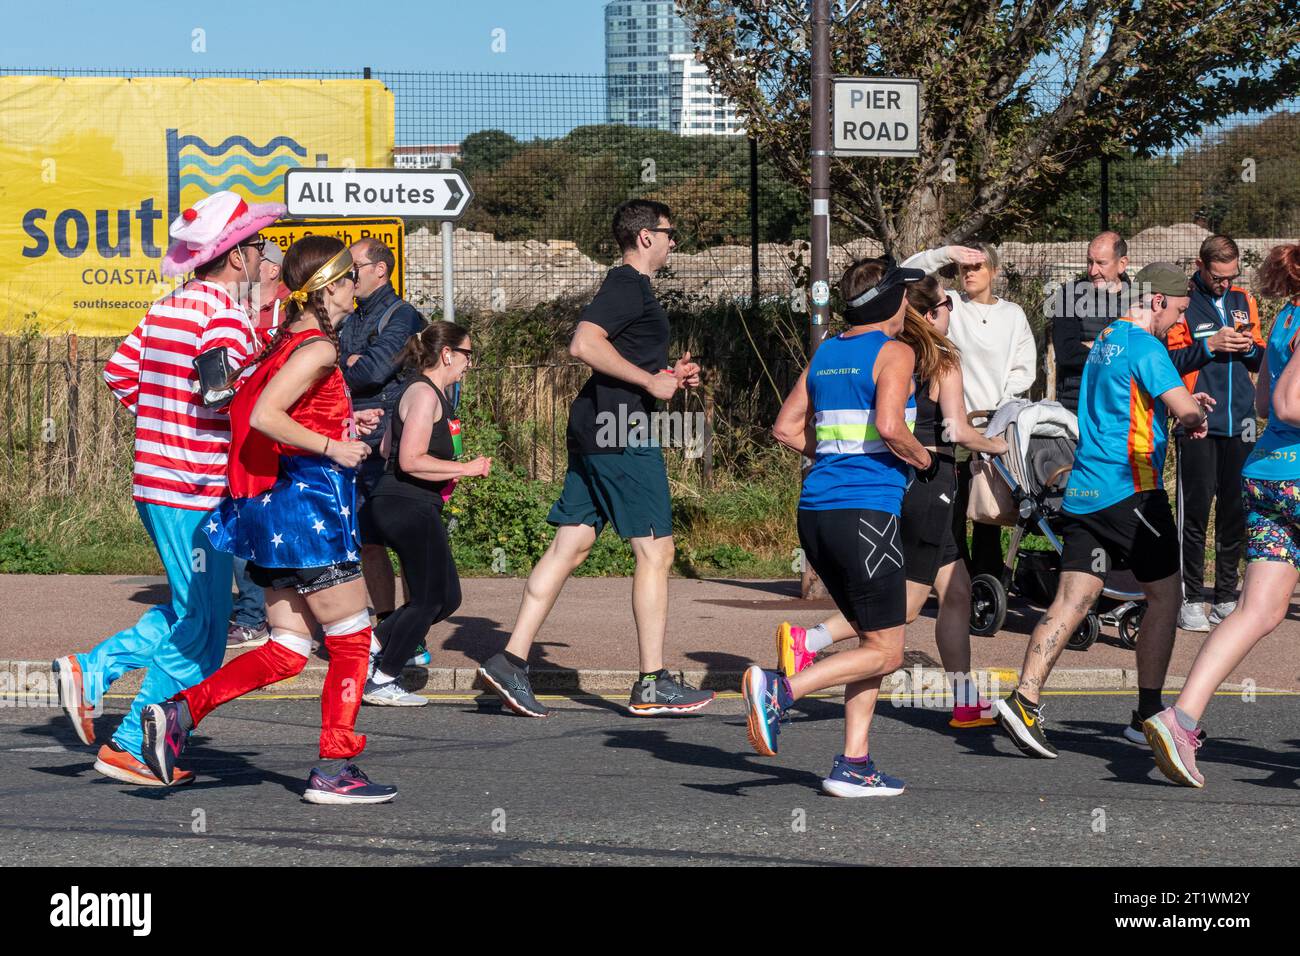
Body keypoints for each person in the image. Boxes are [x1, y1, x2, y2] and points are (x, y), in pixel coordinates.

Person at [139, 236, 396, 805]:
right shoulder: (318, 349)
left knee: (286, 648)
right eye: (350, 279)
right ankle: (335, 768)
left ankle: (181, 711)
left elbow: (280, 408)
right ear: (329, 287)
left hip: (274, 517)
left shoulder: (285, 343)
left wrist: (345, 419)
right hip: (310, 516)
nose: (358, 289)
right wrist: (334, 446)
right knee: (354, 640)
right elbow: (265, 415)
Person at [51, 190, 279, 786]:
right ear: (235, 257)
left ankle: (92, 670)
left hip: (155, 481)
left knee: (189, 608)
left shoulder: (167, 307)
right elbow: (218, 388)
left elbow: (119, 371)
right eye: (257, 247)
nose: (262, 257)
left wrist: (161, 420)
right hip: (195, 490)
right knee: (204, 634)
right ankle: (130, 744)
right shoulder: (225, 315)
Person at [478, 199, 715, 718]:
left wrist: (669, 374)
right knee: (657, 552)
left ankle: (510, 661)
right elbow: (583, 344)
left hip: (599, 424)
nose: (676, 242)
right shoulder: (627, 284)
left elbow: (618, 355)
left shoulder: (633, 289)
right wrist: (650, 381)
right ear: (646, 236)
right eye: (671, 233)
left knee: (572, 544)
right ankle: (652, 682)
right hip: (620, 429)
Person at [994, 263, 1215, 759]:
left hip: (1084, 492)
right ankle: (1147, 715)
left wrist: (1175, 405)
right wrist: (1195, 412)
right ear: (1158, 300)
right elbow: (1184, 412)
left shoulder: (1109, 338)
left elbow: (1131, 403)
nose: (1178, 324)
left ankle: (1024, 698)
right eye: (1178, 312)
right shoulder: (1146, 346)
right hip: (1131, 490)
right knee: (1166, 597)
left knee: (1073, 601)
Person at [774, 276, 1009, 729]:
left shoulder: (873, 350)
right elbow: (955, 430)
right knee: (902, 607)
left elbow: (788, 426)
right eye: (945, 306)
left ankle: (964, 699)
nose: (951, 314)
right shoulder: (937, 357)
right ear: (927, 312)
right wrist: (995, 444)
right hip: (928, 478)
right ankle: (809, 642)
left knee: (956, 591)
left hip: (894, 483)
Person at [744, 255, 933, 797]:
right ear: (893, 301)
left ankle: (854, 762)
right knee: (890, 651)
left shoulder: (828, 352)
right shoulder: (895, 352)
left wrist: (836, 451)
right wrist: (923, 462)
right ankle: (781, 690)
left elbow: (784, 428)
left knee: (874, 639)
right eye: (904, 294)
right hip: (867, 515)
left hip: (817, 514)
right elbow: (893, 427)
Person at [1146, 243, 1300, 787]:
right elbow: (1288, 405)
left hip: (1266, 473)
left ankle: (1180, 719)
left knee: (1258, 611)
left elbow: (1261, 402)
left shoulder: (1284, 317)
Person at [360, 322, 492, 706]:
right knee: (427, 601)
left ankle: (370, 645)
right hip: (406, 504)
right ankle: (382, 679)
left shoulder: (427, 392)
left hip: (411, 503)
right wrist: (462, 468)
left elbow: (386, 447)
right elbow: (409, 459)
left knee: (447, 598)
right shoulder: (423, 393)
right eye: (468, 354)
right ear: (448, 353)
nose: (470, 363)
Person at [901, 244, 1037, 578]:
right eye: (965, 268)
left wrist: (1002, 407)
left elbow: (1024, 368)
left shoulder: (1013, 314)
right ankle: (952, 578)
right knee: (954, 508)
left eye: (978, 267)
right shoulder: (951, 306)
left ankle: (985, 583)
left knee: (990, 509)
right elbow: (908, 273)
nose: (970, 273)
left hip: (995, 424)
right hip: (956, 423)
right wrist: (946, 253)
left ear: (995, 271)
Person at [1165, 235, 1265, 632]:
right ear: (1200, 265)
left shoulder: (1244, 300)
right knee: (1194, 513)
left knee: (1234, 513)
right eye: (1218, 276)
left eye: (1231, 276)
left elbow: (1260, 355)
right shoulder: (1183, 301)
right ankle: (1190, 597)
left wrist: (1244, 348)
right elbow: (1169, 360)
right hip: (1198, 424)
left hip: (1241, 422)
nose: (1225, 284)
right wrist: (1209, 345)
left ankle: (1225, 595)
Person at [339, 237, 426, 634]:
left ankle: (413, 632)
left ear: (380, 269)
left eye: (354, 266)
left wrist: (347, 366)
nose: (347, 274)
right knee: (369, 542)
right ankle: (388, 623)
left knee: (408, 543)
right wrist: (345, 362)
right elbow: (329, 369)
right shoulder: (350, 317)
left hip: (394, 448)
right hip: (357, 445)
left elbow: (373, 371)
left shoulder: (402, 316)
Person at [1050, 231, 1132, 415]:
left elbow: (1146, 353)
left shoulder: (1139, 299)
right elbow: (1066, 353)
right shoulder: (1069, 296)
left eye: (1101, 263)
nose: (1093, 271)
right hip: (1077, 404)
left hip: (1123, 405)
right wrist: (1117, 350)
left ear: (1122, 263)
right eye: (1089, 262)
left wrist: (1093, 345)